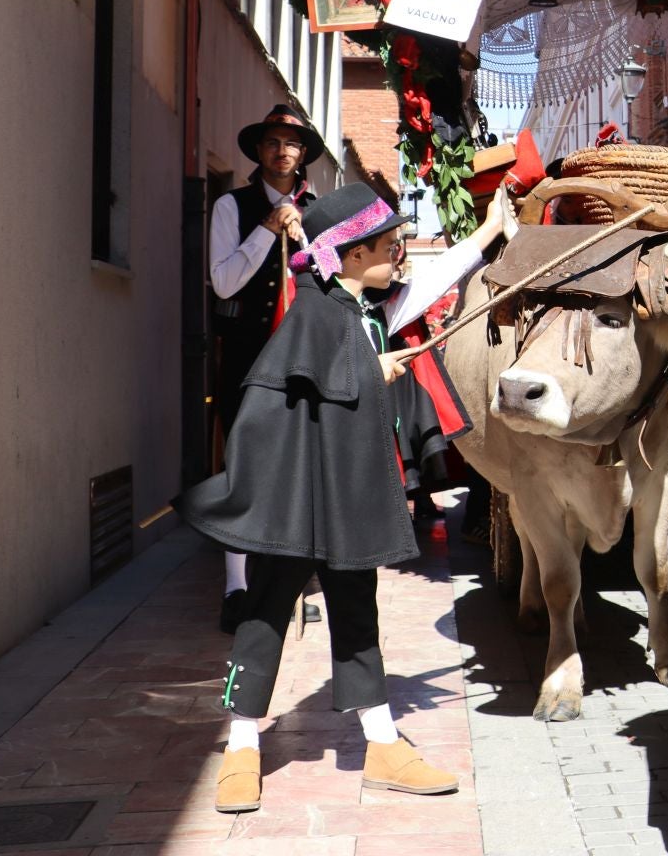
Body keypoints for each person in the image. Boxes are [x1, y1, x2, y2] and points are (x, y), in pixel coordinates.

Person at [179, 182, 511, 815]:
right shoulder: (314, 309)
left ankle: (383, 743)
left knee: (358, 612)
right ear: (355, 254)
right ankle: (242, 745)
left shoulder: (364, 310)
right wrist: (370, 370)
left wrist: (489, 233)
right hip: (299, 503)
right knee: (266, 611)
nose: (401, 254)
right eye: (391, 245)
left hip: (347, 497)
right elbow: (280, 391)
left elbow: (433, 282)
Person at [209, 104, 324, 633]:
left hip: (301, 357)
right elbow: (225, 283)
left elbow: (330, 279)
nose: (282, 151)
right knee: (243, 466)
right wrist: (266, 229)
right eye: (273, 141)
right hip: (247, 354)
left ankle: (303, 578)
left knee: (302, 467)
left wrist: (302, 236)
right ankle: (236, 586)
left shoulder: (321, 207)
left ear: (304, 154)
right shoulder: (231, 206)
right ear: (259, 150)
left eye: (292, 143)